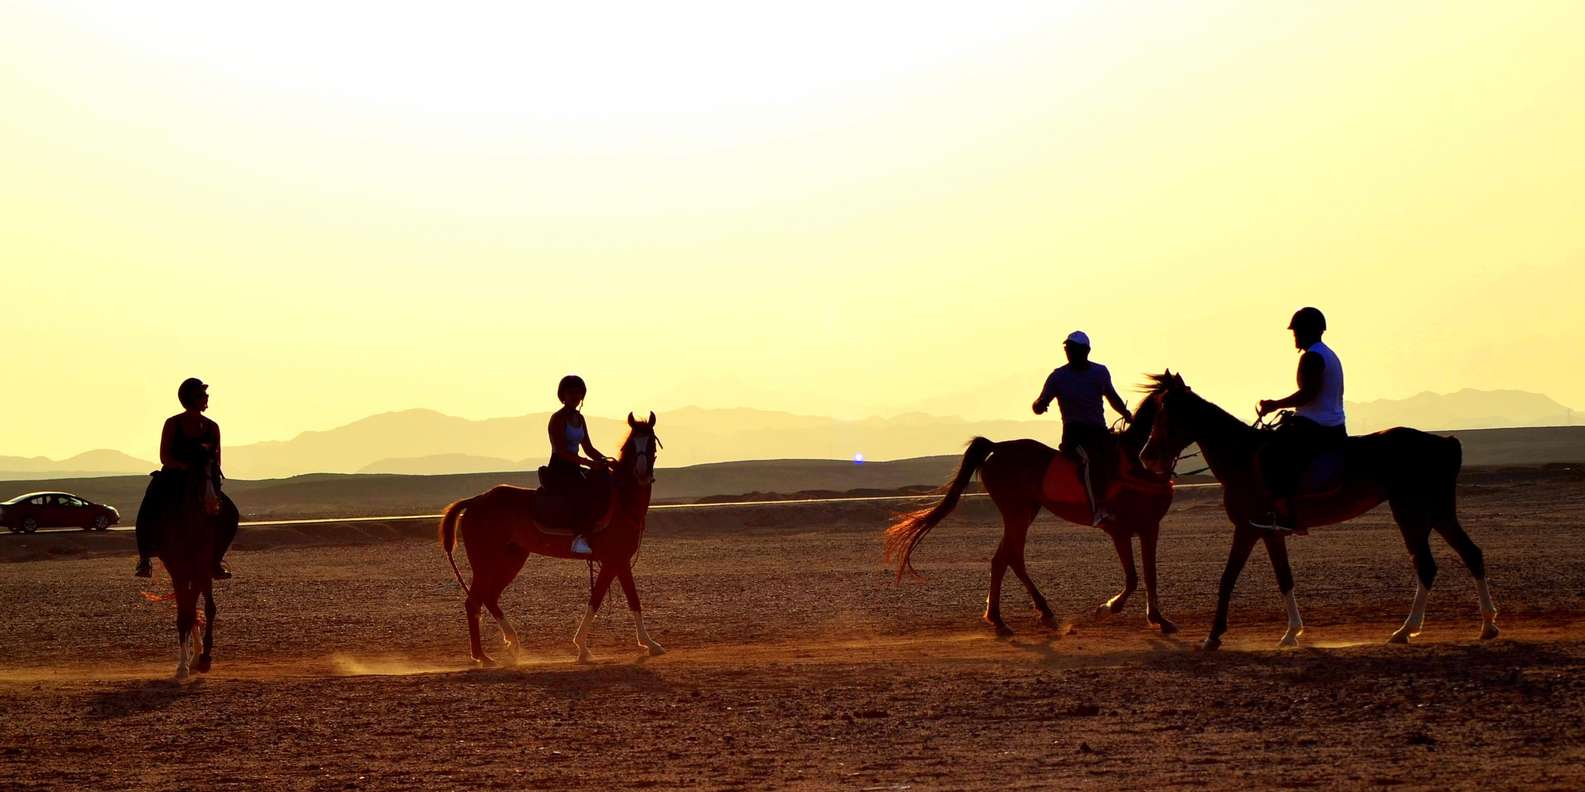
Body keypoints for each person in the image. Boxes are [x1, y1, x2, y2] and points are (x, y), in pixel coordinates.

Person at [1251, 307, 1348, 533]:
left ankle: (1283, 516)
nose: (1294, 336)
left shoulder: (1312, 357)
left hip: (1316, 426)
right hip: (1329, 424)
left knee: (1269, 455)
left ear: (1308, 331)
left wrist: (1274, 404)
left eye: (1297, 331)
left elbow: (1307, 394)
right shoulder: (1328, 354)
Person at [134, 378, 240, 578]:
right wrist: (184, 466)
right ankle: (145, 557)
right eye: (202, 395)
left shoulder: (212, 427)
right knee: (149, 502)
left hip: (203, 478)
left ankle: (216, 559)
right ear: (192, 398)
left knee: (231, 513)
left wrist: (212, 480)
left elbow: (217, 460)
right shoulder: (173, 424)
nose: (206, 398)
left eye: (205, 395)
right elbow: (164, 456)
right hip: (175, 477)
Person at [1032, 331, 1134, 525]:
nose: (1069, 353)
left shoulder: (1100, 372)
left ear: (1086, 351)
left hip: (1098, 431)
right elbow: (1042, 400)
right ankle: (1098, 507)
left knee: (1124, 454)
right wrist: (1039, 405)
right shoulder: (1058, 377)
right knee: (1091, 459)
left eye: (1073, 349)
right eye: (1068, 349)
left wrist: (1127, 415)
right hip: (1075, 434)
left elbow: (1112, 397)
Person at [544, 375, 613, 556]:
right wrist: (589, 463)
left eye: (578, 392)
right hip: (560, 468)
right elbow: (560, 451)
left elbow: (588, 448)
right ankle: (579, 537)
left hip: (575, 466)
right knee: (583, 492)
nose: (575, 396)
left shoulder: (580, 419)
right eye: (571, 392)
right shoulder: (557, 419)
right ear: (563, 395)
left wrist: (608, 461)